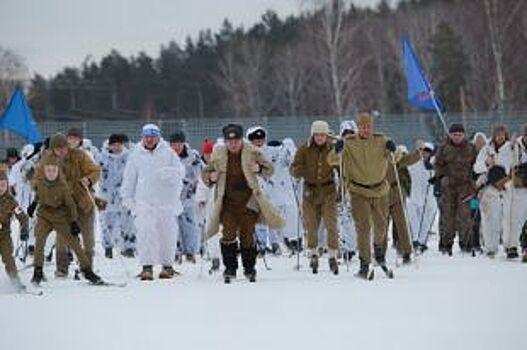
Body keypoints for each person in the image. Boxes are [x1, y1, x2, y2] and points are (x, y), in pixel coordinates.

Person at [201, 124, 283, 283]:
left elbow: (270, 169)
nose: (233, 144)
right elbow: (206, 172)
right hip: (228, 202)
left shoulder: (252, 151)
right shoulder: (218, 154)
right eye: (229, 141)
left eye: (236, 140)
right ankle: (230, 268)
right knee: (228, 234)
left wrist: (258, 168)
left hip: (248, 202)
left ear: (241, 140)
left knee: (247, 235)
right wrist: (210, 178)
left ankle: (249, 268)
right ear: (225, 141)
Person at [121, 124, 185, 280]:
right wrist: (128, 198)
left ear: (158, 137)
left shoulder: (168, 153)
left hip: (166, 202)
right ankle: (147, 266)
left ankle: (167, 266)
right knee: (145, 233)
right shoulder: (136, 155)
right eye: (146, 136)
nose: (149, 140)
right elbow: (129, 178)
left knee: (167, 234)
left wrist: (168, 173)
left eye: (152, 136)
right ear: (142, 137)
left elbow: (180, 173)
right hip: (144, 202)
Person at [33, 133, 101, 277]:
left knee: (88, 240)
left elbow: (95, 170)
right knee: (62, 239)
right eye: (58, 149)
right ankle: (62, 269)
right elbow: (37, 178)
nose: (62, 151)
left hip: (83, 204)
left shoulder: (79, 156)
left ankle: (87, 269)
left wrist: (88, 179)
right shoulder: (47, 160)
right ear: (52, 149)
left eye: (64, 147)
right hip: (63, 208)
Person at [338, 113, 395, 279]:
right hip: (358, 191)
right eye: (363, 126)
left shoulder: (381, 140)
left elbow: (395, 158)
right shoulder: (349, 143)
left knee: (381, 226)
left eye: (368, 126)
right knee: (363, 227)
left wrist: (393, 148)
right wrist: (337, 149)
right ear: (358, 127)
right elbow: (333, 160)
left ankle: (378, 251)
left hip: (380, 190)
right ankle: (364, 263)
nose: (366, 129)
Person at [291, 120, 339, 275]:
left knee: (331, 224)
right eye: (317, 135)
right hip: (310, 192)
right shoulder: (304, 149)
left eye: (322, 135)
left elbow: (341, 165)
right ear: (312, 135)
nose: (319, 138)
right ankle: (313, 253)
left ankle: (332, 255)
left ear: (326, 135)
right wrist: (299, 171)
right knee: (311, 225)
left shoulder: (333, 149)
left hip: (328, 191)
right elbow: (294, 167)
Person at [433, 123, 477, 255]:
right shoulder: (444, 147)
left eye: (460, 135)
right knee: (448, 217)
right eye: (455, 135)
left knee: (465, 216)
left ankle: (466, 244)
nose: (457, 137)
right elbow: (438, 164)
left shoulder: (471, 148)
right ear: (450, 135)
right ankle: (446, 244)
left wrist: (475, 180)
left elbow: (477, 164)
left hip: (466, 187)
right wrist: (439, 178)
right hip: (448, 187)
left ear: (463, 135)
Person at [474, 125, 514, 258]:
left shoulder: (510, 148)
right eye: (498, 135)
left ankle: (510, 246)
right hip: (489, 189)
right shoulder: (486, 149)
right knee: (490, 220)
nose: (500, 137)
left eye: (502, 135)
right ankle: (491, 247)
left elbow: (514, 165)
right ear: (494, 136)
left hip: (507, 187)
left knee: (508, 219)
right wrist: (486, 162)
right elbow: (476, 168)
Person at [98, 134, 136, 259]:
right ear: (109, 145)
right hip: (105, 195)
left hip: (124, 195)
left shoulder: (129, 157)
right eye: (113, 145)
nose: (116, 147)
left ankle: (129, 247)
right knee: (106, 222)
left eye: (119, 144)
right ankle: (108, 247)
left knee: (127, 222)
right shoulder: (102, 158)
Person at [169, 130, 204, 263]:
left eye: (179, 144)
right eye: (174, 144)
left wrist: (198, 187)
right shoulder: (166, 156)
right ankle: (175, 252)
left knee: (190, 225)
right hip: (171, 197)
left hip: (188, 196)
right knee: (172, 226)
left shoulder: (192, 156)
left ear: (184, 144)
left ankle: (190, 252)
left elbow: (201, 174)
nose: (176, 147)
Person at [386, 145, 421, 264]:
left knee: (401, 223)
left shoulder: (396, 158)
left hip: (397, 193)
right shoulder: (376, 159)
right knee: (381, 226)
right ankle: (380, 252)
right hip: (381, 194)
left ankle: (406, 251)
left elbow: (409, 159)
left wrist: (418, 152)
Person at [0, 170, 29, 291]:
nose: (0, 188)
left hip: (4, 236)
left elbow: (23, 216)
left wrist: (24, 230)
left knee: (8, 258)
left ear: (7, 185)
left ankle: (15, 282)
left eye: (3, 184)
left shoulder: (11, 201)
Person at [407, 142, 437, 252]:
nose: (425, 153)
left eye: (427, 151)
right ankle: (414, 240)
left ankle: (422, 241)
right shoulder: (412, 163)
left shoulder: (433, 164)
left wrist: (436, 179)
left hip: (428, 197)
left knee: (426, 220)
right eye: (423, 150)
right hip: (413, 196)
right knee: (414, 221)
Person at [505, 125, 527, 259]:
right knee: (516, 219)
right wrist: (511, 148)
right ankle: (511, 245)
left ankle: (525, 247)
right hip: (517, 188)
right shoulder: (515, 146)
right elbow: (507, 164)